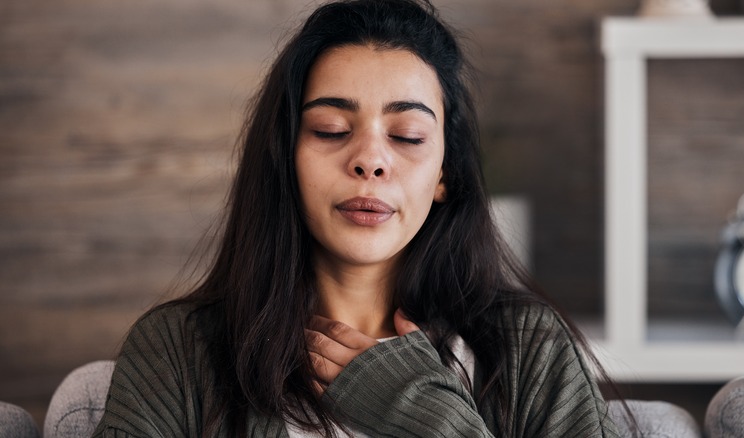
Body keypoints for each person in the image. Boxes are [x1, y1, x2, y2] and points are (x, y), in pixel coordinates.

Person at [92, 0, 621, 436]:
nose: (369, 159)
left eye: (407, 136)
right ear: (285, 157)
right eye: (330, 129)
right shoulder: (176, 351)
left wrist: (435, 421)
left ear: (444, 173)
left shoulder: (529, 348)